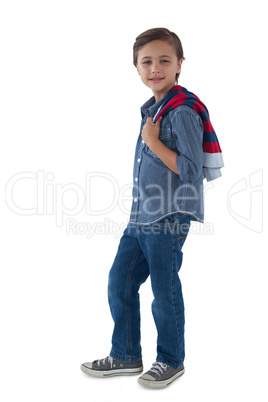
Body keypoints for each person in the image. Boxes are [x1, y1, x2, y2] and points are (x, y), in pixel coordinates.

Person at [81, 27, 223, 389]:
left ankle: (171, 360)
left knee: (164, 291)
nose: (155, 68)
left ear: (179, 64)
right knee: (121, 281)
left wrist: (152, 142)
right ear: (137, 67)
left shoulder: (182, 112)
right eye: (147, 61)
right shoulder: (156, 109)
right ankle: (126, 354)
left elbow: (191, 172)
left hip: (168, 216)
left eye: (164, 60)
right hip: (142, 215)